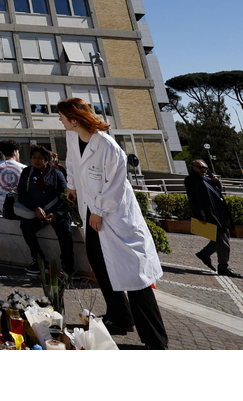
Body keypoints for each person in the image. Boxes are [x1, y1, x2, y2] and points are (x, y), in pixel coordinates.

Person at [59, 97, 169, 350]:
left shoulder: (108, 146)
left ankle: (156, 341)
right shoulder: (73, 136)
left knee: (135, 277)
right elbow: (72, 162)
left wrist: (98, 211)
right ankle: (121, 318)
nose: (60, 121)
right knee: (100, 265)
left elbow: (116, 183)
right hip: (92, 212)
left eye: (62, 117)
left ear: (74, 120)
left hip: (115, 217)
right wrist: (72, 185)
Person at [16, 144, 75, 275]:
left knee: (65, 231)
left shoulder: (57, 174)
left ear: (47, 160)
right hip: (35, 212)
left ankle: (68, 267)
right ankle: (39, 262)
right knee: (26, 227)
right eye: (34, 157)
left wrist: (56, 213)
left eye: (40, 158)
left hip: (56, 212)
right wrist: (35, 208)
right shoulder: (27, 173)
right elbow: (22, 194)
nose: (37, 160)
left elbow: (65, 196)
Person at [185, 159, 242, 278]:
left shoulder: (208, 179)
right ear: (193, 167)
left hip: (220, 213)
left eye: (205, 168)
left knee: (223, 237)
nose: (203, 170)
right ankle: (223, 267)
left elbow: (217, 193)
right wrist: (200, 215)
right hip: (210, 214)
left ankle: (205, 254)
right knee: (222, 239)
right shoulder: (192, 180)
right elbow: (194, 199)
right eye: (200, 167)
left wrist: (216, 182)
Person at [0, 140, 25, 218]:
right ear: (15, 152)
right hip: (18, 205)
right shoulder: (23, 168)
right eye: (18, 152)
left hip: (1, 205)